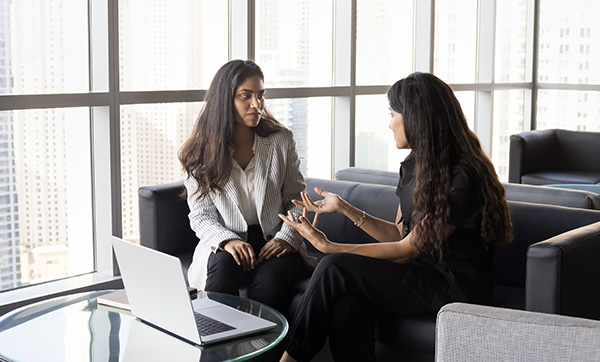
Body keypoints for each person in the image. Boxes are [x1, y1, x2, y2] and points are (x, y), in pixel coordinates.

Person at [278, 72, 513, 362]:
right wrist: (344, 208)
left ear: (415, 117)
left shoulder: (462, 177)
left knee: (333, 266)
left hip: (455, 287)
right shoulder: (415, 165)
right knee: (347, 308)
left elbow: (406, 252)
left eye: (392, 114)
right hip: (421, 272)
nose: (389, 124)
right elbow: (400, 235)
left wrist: (332, 247)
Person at [178, 59, 316, 316]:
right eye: (246, 96)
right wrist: (227, 240)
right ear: (225, 100)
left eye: (260, 96)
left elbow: (296, 200)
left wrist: (286, 238)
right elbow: (200, 215)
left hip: (274, 239)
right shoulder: (199, 152)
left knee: (270, 284)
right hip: (228, 238)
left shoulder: (280, 141)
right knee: (220, 274)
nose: (257, 104)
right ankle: (222, 348)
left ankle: (262, 354)